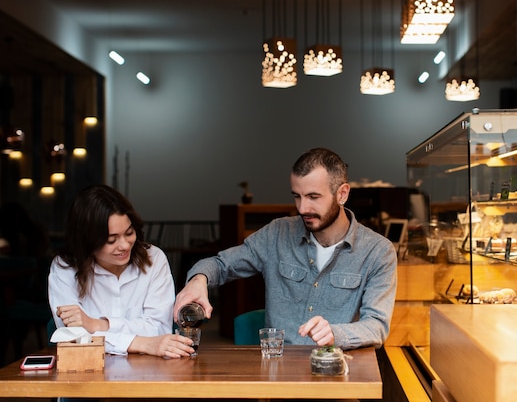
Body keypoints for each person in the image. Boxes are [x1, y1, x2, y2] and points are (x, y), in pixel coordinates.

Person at [174, 148, 398, 349]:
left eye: (313, 197)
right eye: (297, 196)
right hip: (278, 375)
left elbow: (376, 326)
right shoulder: (277, 234)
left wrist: (335, 334)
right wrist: (199, 279)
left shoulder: (378, 252)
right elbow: (221, 264)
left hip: (336, 374)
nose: (302, 208)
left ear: (342, 194)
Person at [48, 184, 195, 358]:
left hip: (149, 369)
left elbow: (158, 328)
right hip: (89, 371)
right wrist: (142, 343)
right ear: (86, 241)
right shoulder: (64, 267)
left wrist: (97, 325)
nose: (125, 245)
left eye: (129, 232)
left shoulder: (154, 258)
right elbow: (73, 338)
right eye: (112, 240)